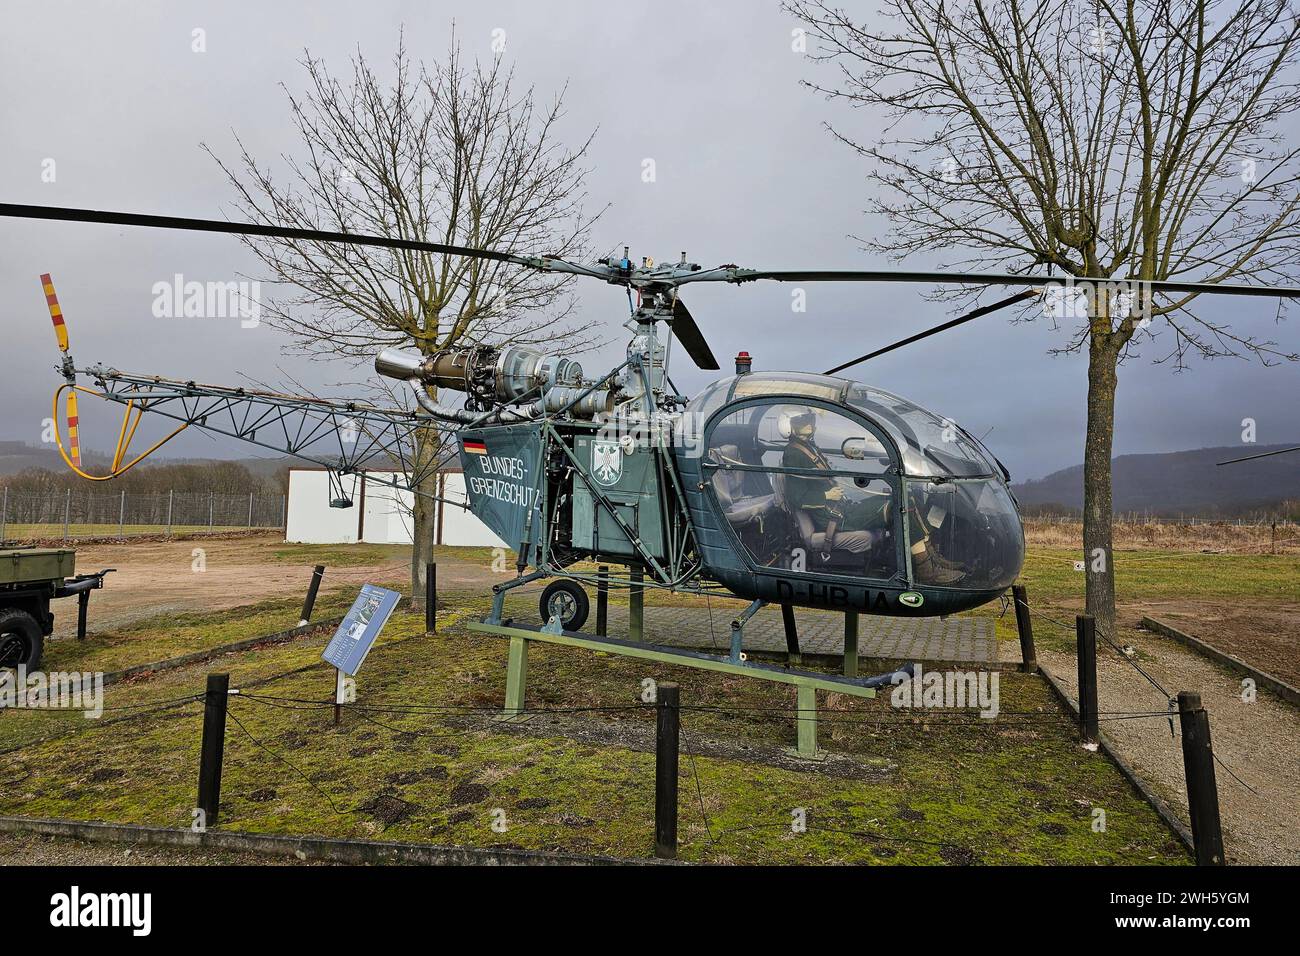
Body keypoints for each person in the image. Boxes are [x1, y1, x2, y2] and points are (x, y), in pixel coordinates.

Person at [781, 409, 965, 585]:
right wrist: (826, 494)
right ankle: (926, 570)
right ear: (789, 426)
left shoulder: (807, 447)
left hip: (841, 509)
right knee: (898, 506)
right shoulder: (793, 453)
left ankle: (932, 558)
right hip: (834, 518)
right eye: (802, 422)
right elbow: (795, 497)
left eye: (810, 420)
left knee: (906, 497)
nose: (809, 425)